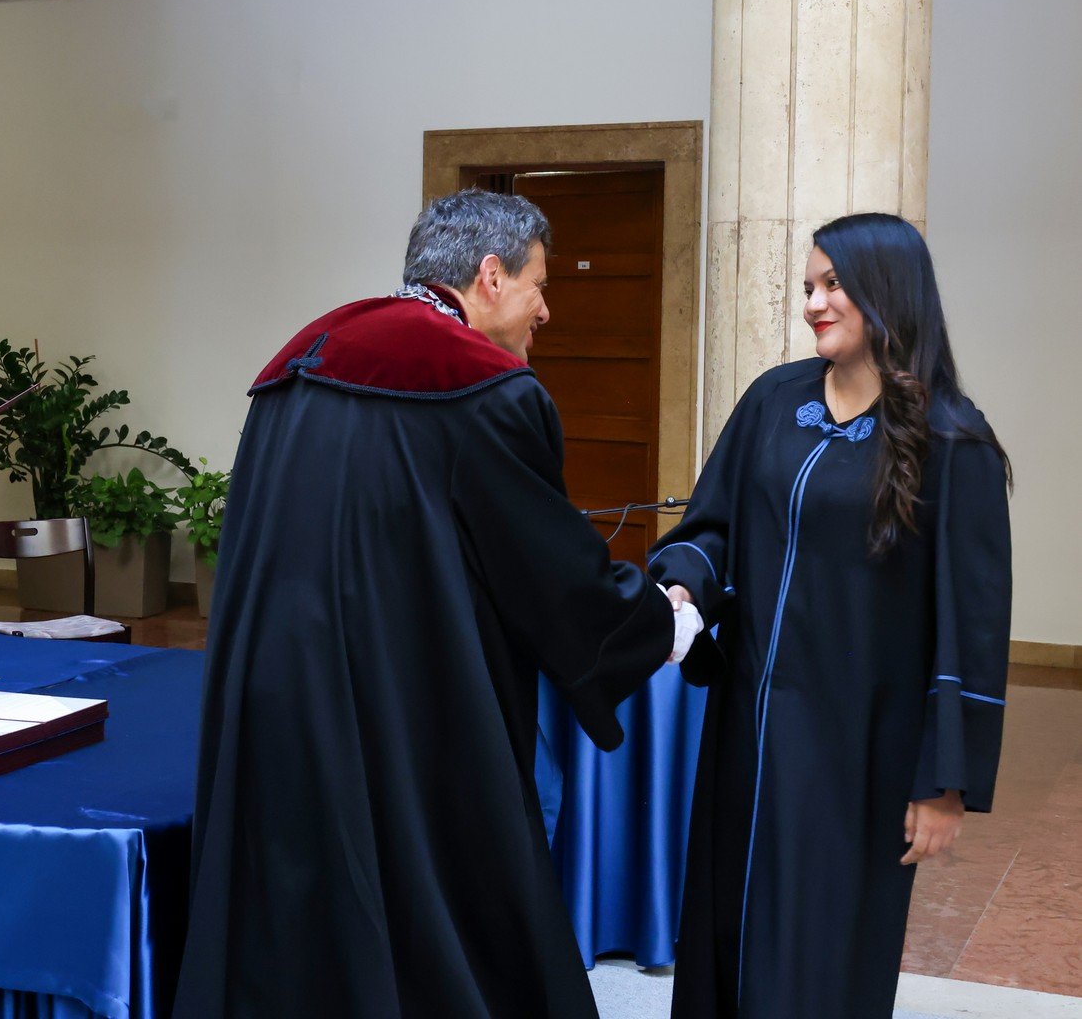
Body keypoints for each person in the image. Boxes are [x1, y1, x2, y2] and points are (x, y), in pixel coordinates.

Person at [174, 190, 692, 1017]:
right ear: (490, 276)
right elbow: (550, 574)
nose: (546, 311)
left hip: (276, 694)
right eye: (539, 286)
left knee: (299, 911)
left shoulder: (304, 358)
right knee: (440, 918)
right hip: (406, 710)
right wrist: (659, 621)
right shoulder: (482, 388)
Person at [650, 213, 1012, 1018]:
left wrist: (945, 783)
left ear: (888, 290)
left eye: (833, 285)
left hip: (860, 748)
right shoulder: (773, 401)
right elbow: (714, 525)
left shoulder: (954, 441)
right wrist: (683, 587)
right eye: (809, 286)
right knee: (726, 925)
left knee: (821, 947)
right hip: (749, 729)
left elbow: (975, 620)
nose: (812, 302)